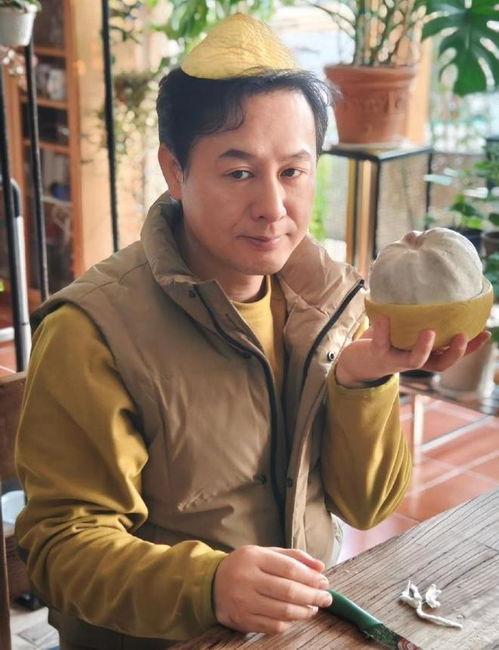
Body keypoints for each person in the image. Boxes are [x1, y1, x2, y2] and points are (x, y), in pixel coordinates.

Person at [14, 13, 489, 650]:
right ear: (175, 171)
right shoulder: (93, 332)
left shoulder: (329, 300)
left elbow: (369, 507)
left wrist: (363, 381)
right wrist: (207, 585)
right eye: (239, 173)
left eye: (293, 171)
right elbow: (60, 550)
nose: (273, 207)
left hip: (302, 630)